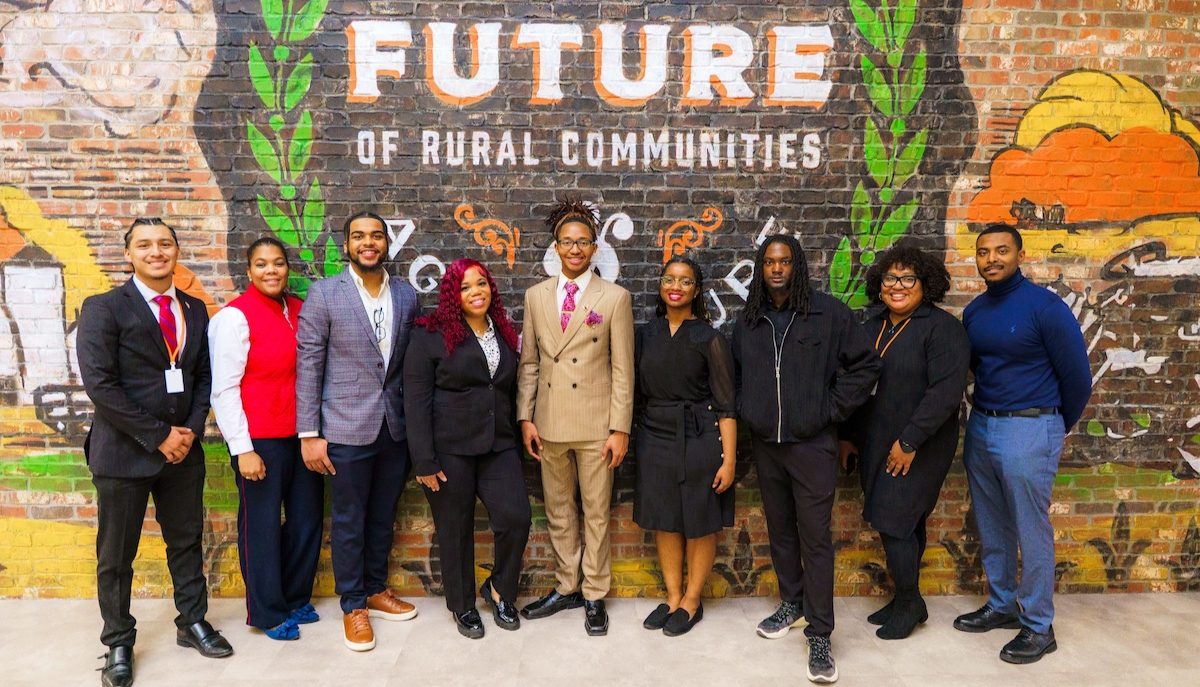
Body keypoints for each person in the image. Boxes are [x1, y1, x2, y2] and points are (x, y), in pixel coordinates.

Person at [78, 217, 233, 687]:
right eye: (144, 245)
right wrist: (159, 435)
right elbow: (100, 385)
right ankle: (118, 641)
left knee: (186, 541)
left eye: (165, 243)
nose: (156, 252)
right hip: (124, 453)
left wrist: (187, 429)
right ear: (129, 254)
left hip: (183, 454)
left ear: (176, 250)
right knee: (116, 555)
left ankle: (192, 622)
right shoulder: (104, 308)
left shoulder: (194, 308)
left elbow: (204, 376)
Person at [732, 234, 880, 684]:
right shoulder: (749, 320)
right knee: (779, 530)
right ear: (762, 268)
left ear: (797, 266)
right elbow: (738, 376)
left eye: (785, 262)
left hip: (813, 445)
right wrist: (750, 411)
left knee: (814, 537)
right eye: (769, 262)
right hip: (767, 446)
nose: (776, 269)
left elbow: (866, 366)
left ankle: (820, 633)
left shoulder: (828, 313)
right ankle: (792, 603)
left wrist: (829, 411)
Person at [954, 224, 1092, 664]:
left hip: (1030, 426)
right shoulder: (975, 312)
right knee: (992, 521)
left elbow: (1078, 380)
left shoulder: (1045, 308)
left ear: (1019, 254)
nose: (991, 259)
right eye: (983, 252)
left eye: (1001, 250)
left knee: (1031, 528)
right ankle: (1002, 604)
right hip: (983, 426)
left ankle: (1037, 625)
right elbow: (976, 369)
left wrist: (1050, 427)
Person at [295, 211, 421, 652]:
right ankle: (353, 605)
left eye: (376, 237)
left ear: (387, 244)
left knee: (383, 516)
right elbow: (309, 364)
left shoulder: (406, 295)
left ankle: (375, 587)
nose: (368, 243)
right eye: (358, 237)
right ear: (346, 245)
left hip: (393, 427)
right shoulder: (325, 294)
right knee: (349, 520)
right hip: (344, 429)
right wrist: (308, 433)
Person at [838, 244, 970, 641]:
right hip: (876, 438)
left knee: (894, 519)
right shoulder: (870, 327)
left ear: (924, 284)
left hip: (920, 443)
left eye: (907, 278)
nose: (897, 286)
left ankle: (910, 602)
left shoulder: (943, 329)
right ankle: (905, 598)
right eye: (890, 279)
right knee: (902, 521)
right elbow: (854, 387)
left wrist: (909, 442)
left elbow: (945, 394)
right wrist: (847, 437)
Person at [516, 198, 635, 636]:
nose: (574, 249)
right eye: (566, 242)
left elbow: (623, 368)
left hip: (595, 424)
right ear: (556, 246)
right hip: (548, 423)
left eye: (582, 242)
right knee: (559, 510)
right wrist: (526, 418)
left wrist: (619, 427)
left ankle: (594, 594)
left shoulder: (615, 298)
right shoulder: (535, 296)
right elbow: (529, 363)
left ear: (594, 248)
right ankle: (567, 585)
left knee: (597, 513)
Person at [403, 258, 533, 639]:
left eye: (481, 284)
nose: (475, 292)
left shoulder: (504, 333)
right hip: (448, 451)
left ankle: (499, 589)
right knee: (455, 529)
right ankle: (462, 606)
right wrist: (424, 460)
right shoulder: (430, 335)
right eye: (465, 287)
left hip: (499, 445)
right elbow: (415, 400)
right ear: (452, 295)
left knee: (515, 518)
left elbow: (504, 386)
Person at [208, 236, 324, 641]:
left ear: (287, 268)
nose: (271, 271)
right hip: (259, 440)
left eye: (277, 263)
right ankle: (267, 611)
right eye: (261, 264)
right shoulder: (234, 318)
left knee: (306, 519)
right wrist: (243, 449)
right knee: (261, 525)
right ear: (249, 271)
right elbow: (223, 389)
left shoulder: (299, 309)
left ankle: (294, 597)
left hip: (301, 435)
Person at [634, 256, 737, 637]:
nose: (676, 286)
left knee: (699, 521)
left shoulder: (710, 339)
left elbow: (727, 406)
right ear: (661, 286)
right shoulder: (645, 335)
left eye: (686, 280)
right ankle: (673, 596)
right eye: (669, 279)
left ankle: (693, 600)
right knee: (665, 520)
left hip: (699, 439)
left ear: (697, 289)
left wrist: (728, 461)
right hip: (654, 436)